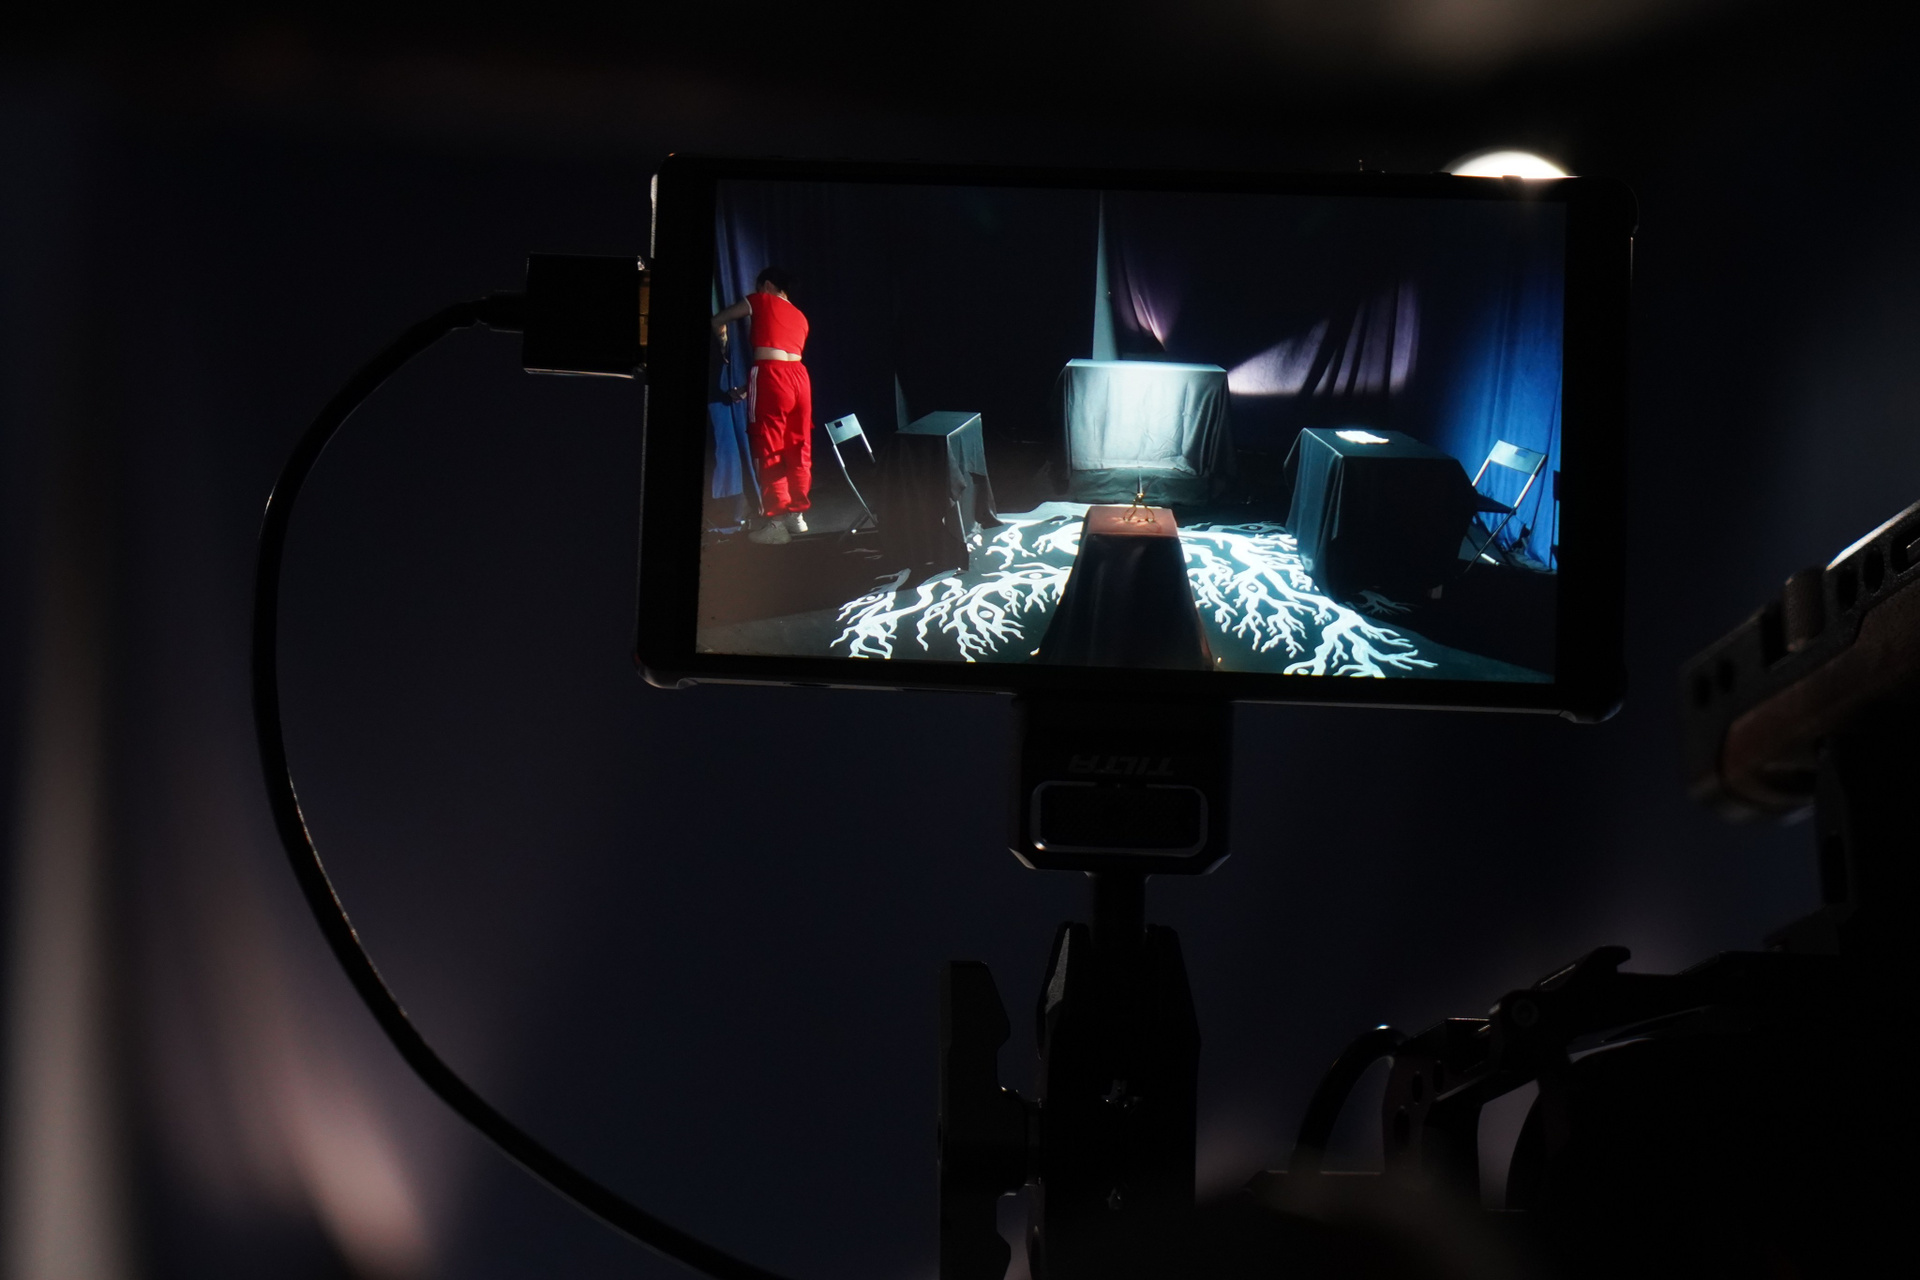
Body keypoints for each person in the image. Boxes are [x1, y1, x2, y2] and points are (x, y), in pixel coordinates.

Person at [711, 268, 812, 545]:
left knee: (769, 449)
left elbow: (719, 319)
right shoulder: (801, 317)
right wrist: (749, 388)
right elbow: (783, 359)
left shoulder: (761, 299)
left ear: (766, 285)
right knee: (798, 447)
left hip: (771, 376)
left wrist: (722, 341)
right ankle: (797, 516)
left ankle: (776, 524)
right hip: (800, 379)